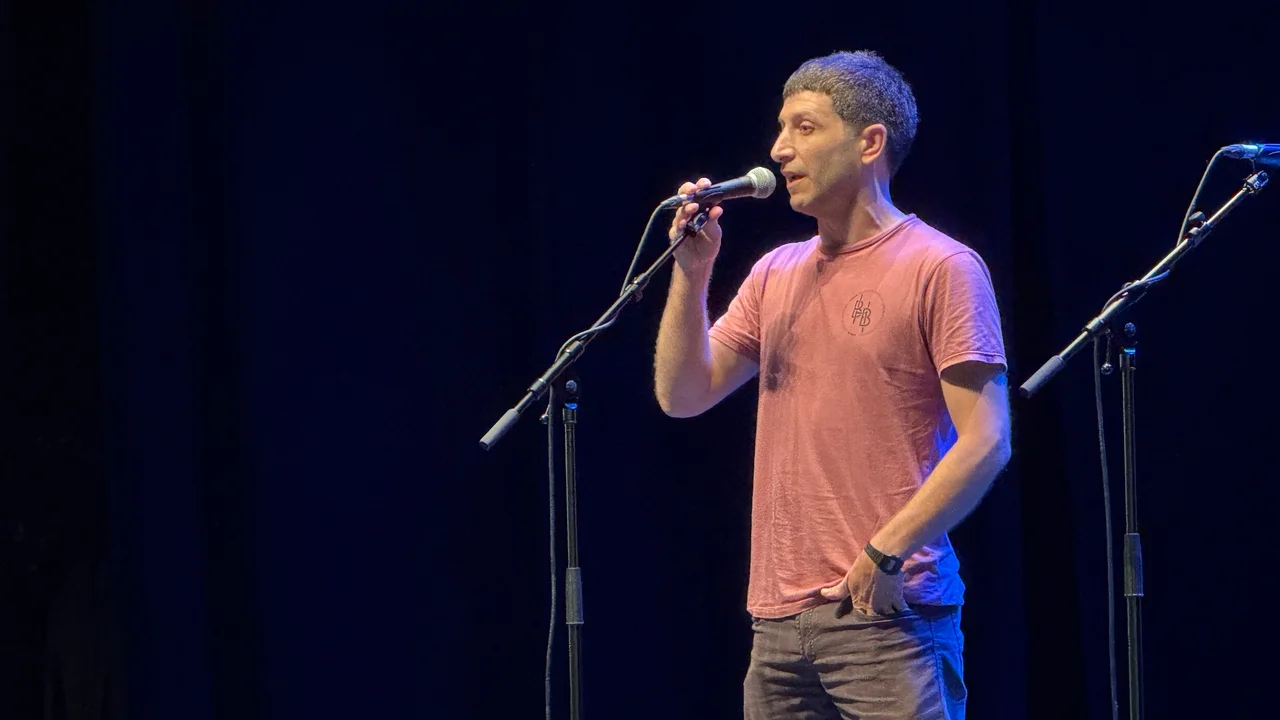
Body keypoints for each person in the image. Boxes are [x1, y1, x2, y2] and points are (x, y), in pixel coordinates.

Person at [652, 50, 1011, 720]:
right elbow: (683, 395)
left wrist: (885, 550)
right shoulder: (775, 272)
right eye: (781, 128)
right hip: (777, 626)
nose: (779, 149)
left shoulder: (941, 266)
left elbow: (987, 440)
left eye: (805, 127)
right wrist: (692, 273)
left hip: (886, 616)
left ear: (869, 142)